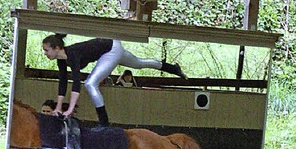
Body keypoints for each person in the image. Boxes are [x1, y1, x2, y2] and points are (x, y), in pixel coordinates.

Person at [42, 34, 187, 126]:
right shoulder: (61, 60)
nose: (45, 53)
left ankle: (104, 123)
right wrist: (59, 107)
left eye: (47, 50)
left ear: (57, 48)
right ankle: (173, 69)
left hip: (111, 49)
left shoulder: (72, 54)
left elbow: (75, 83)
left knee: (90, 83)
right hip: (112, 46)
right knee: (139, 63)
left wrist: (71, 109)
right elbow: (62, 83)